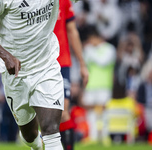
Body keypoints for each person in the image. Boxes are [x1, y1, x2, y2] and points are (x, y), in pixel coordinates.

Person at [0, 0, 64, 150]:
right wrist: (6, 56)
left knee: (51, 130)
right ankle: (36, 146)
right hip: (16, 73)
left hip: (46, 66)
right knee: (29, 135)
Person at [54, 0, 88, 149]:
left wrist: (82, 64)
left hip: (61, 62)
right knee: (43, 117)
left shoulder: (64, 1)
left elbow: (72, 30)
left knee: (62, 113)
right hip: (39, 63)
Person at [82, 26, 116, 144]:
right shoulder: (89, 50)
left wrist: (90, 51)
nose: (90, 42)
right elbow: (85, 62)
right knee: (90, 111)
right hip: (91, 85)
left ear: (97, 38)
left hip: (104, 85)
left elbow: (103, 62)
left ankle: (105, 136)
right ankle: (93, 136)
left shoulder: (110, 49)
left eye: (92, 39)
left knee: (104, 111)